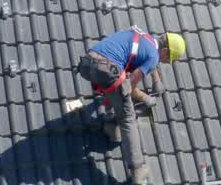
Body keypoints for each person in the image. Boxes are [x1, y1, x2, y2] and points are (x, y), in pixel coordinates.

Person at [78, 28, 186, 185]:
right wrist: (145, 97)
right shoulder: (154, 56)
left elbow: (150, 59)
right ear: (165, 51)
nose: (165, 62)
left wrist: (156, 80)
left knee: (114, 90)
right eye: (168, 59)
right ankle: (137, 170)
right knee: (127, 116)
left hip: (88, 63)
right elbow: (129, 86)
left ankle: (110, 126)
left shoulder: (145, 37)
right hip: (106, 69)